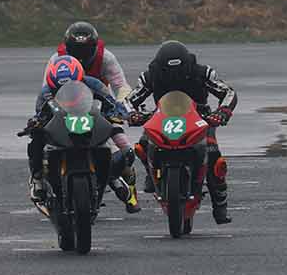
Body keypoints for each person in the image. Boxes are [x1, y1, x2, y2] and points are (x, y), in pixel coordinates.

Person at [125, 40, 238, 224]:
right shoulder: (150, 76)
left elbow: (228, 92)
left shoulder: (202, 72)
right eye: (169, 73)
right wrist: (132, 114)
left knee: (213, 154)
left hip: (200, 118)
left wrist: (223, 112)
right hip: (162, 117)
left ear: (187, 66)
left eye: (179, 72)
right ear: (160, 69)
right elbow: (129, 99)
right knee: (143, 145)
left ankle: (220, 206)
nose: (174, 77)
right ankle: (150, 174)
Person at [27, 54, 137, 211]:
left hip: (89, 124)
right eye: (60, 89)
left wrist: (119, 114)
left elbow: (111, 103)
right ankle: (37, 179)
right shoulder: (46, 92)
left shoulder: (94, 84)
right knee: (36, 140)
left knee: (118, 146)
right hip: (60, 128)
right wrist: (35, 123)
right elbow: (39, 114)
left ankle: (112, 177)